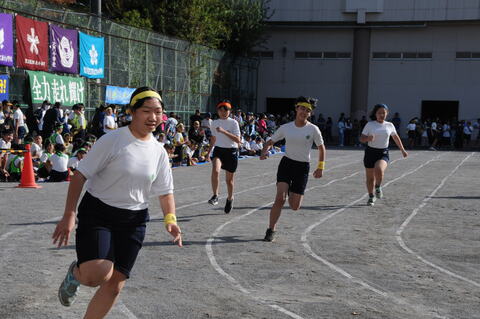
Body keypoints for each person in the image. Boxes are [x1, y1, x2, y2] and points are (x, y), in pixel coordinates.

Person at [52, 87, 182, 319]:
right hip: (99, 212)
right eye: (146, 111)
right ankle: (76, 273)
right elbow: (80, 175)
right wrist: (69, 214)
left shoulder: (159, 151)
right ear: (132, 112)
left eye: (158, 112)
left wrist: (170, 220)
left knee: (115, 284)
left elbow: (165, 192)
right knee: (96, 275)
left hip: (134, 220)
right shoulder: (113, 140)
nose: (153, 117)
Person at [260, 97, 325, 242]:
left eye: (308, 110)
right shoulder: (286, 127)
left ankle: (291, 190)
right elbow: (270, 141)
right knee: (279, 198)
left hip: (302, 167)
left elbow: (321, 148)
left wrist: (320, 167)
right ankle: (271, 229)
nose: (304, 112)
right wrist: (264, 150)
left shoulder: (313, 129)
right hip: (286, 164)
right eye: (302, 108)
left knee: (295, 206)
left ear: (310, 113)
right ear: (296, 108)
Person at [359, 104, 408, 206]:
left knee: (379, 170)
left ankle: (378, 187)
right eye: (379, 113)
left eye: (383, 113)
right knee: (370, 178)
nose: (381, 115)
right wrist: (368, 139)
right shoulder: (370, 124)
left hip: (383, 153)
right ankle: (371, 196)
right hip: (370, 152)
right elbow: (362, 139)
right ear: (375, 114)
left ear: (387, 113)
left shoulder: (389, 125)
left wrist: (402, 150)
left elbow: (395, 138)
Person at [207, 100, 241, 214]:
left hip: (231, 151)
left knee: (229, 180)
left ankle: (230, 199)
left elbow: (238, 140)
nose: (223, 112)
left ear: (230, 111)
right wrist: (208, 152)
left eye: (225, 110)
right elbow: (213, 138)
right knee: (215, 170)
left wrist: (224, 131)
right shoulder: (214, 123)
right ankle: (215, 195)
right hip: (218, 150)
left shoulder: (234, 123)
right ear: (217, 111)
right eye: (220, 110)